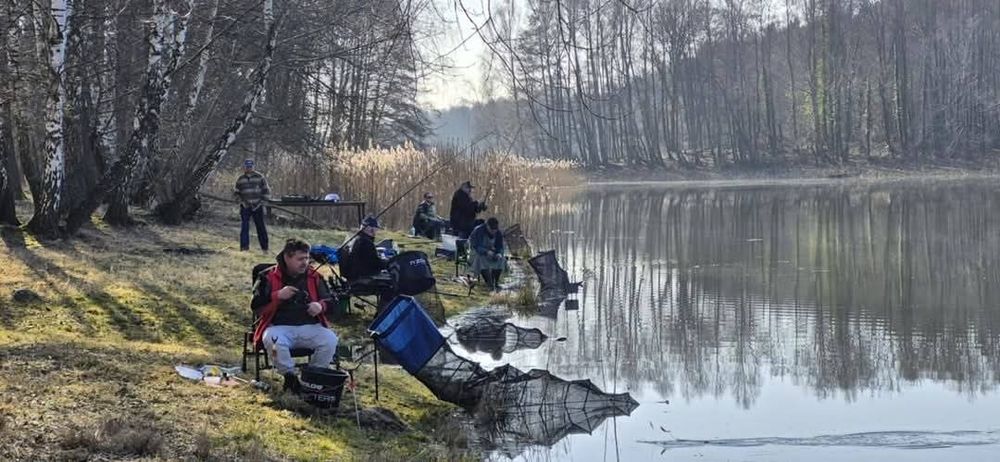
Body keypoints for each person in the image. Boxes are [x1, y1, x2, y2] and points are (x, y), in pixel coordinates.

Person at [251, 238, 339, 392]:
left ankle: (312, 377)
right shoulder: (267, 276)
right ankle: (290, 377)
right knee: (272, 340)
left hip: (310, 326)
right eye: (300, 259)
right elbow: (256, 306)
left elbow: (334, 303)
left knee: (330, 339)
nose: (305, 263)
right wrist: (277, 295)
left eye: (306, 258)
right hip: (279, 327)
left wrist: (321, 306)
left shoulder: (314, 276)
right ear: (287, 257)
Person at [233, 159, 271, 252]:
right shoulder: (241, 179)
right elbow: (236, 192)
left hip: (257, 206)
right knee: (244, 227)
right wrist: (240, 201)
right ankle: (244, 248)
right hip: (245, 206)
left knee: (261, 227)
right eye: (247, 166)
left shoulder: (260, 177)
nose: (248, 168)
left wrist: (262, 202)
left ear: (253, 167)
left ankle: (264, 248)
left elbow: (266, 190)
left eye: (250, 166)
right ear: (244, 167)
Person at [342, 216, 388, 282]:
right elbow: (375, 263)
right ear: (370, 229)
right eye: (376, 229)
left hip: (356, 274)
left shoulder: (358, 239)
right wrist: (388, 262)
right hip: (363, 276)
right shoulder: (366, 243)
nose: (376, 232)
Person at [469, 217, 507, 292]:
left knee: (501, 259)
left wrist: (499, 253)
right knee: (481, 259)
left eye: (495, 230)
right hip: (475, 252)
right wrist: (486, 252)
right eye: (491, 230)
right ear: (487, 226)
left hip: (491, 252)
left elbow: (500, 247)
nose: (493, 232)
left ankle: (495, 282)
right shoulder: (479, 230)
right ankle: (489, 282)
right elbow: (476, 246)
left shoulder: (498, 233)